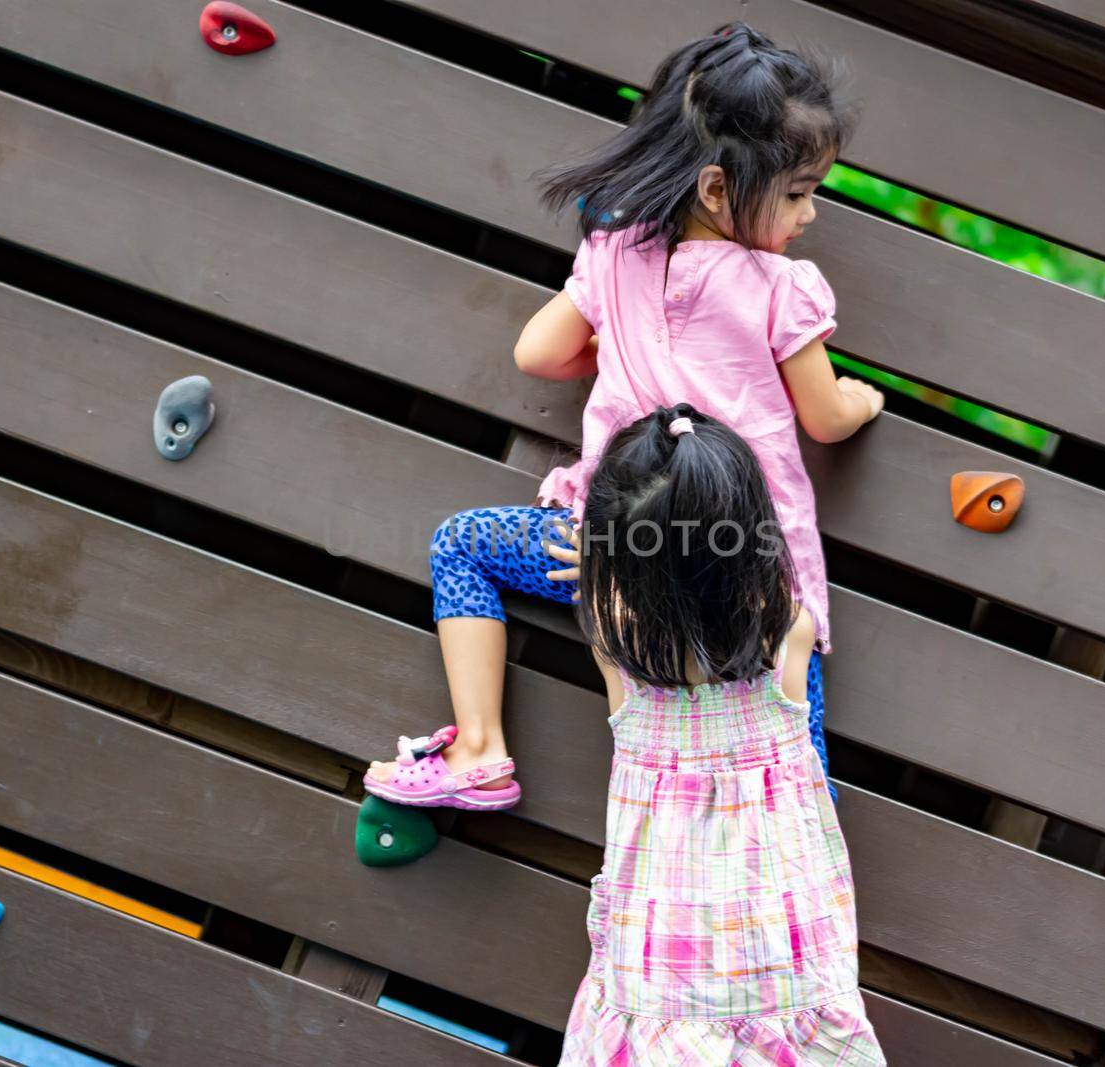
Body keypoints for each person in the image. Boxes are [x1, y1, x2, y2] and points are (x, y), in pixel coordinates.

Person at [363, 22, 884, 812]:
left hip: (613, 553)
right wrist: (862, 399)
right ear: (717, 189)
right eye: (800, 193)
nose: (808, 217)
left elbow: (538, 353)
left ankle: (478, 748)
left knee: (462, 547)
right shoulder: (781, 288)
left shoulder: (616, 253)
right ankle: (795, 838)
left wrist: (613, 346)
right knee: (791, 739)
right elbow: (826, 418)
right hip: (747, 572)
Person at [558, 404, 885, 1064]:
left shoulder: (612, 642)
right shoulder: (786, 629)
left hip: (657, 973)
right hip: (786, 962)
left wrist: (603, 564)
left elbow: (624, 584)